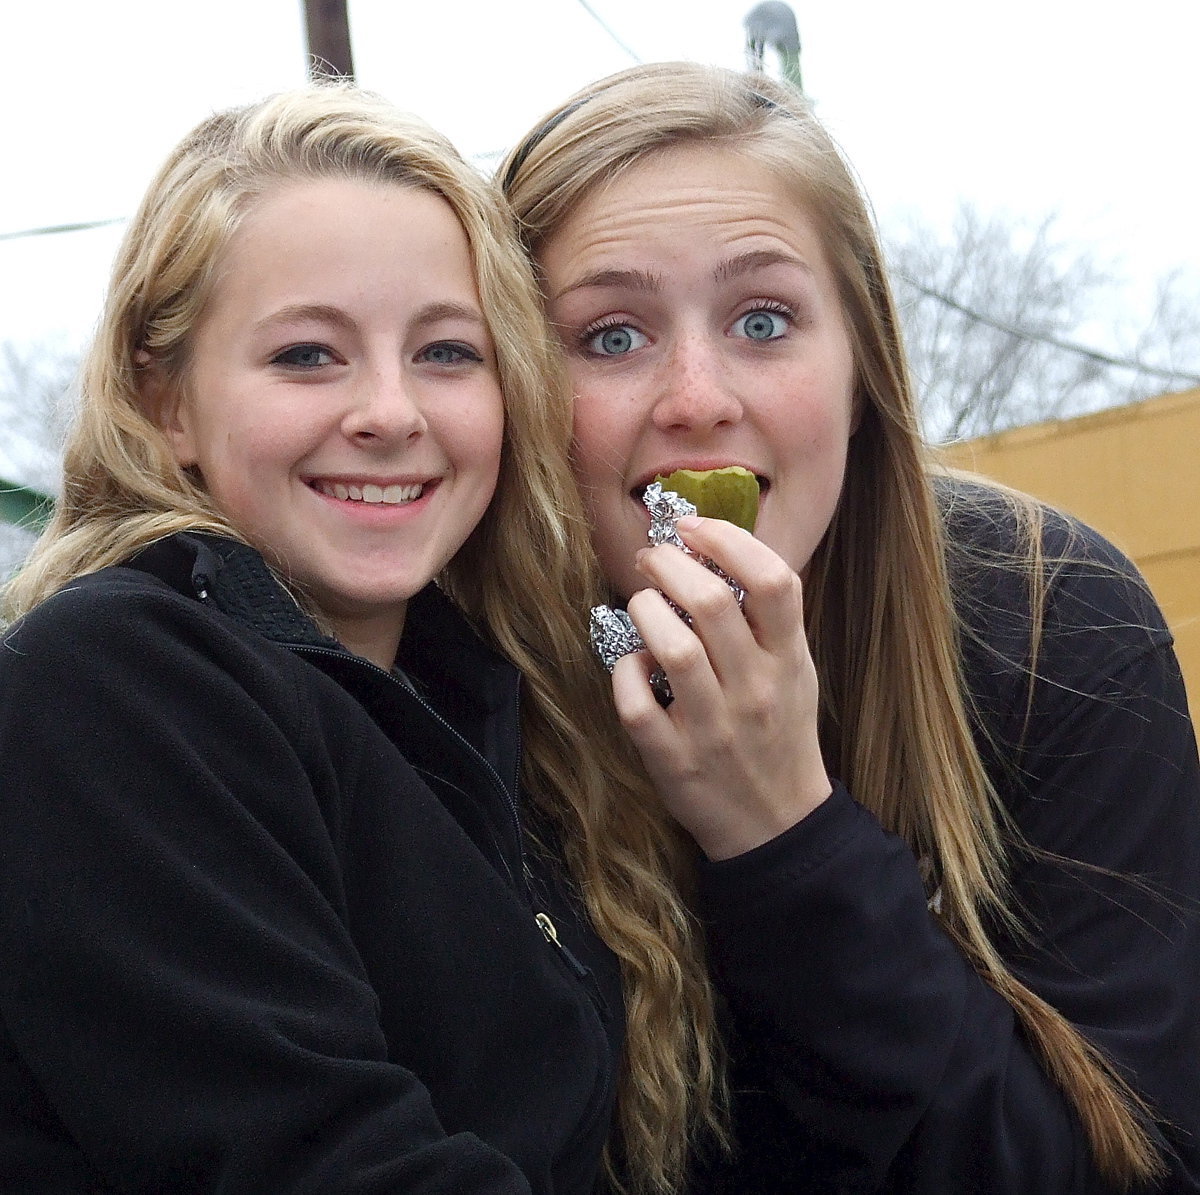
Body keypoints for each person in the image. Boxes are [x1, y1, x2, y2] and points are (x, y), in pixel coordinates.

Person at [0, 83, 724, 1194]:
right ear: (167, 403)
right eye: (306, 356)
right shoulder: (113, 682)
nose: (390, 411)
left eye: (445, 353)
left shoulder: (494, 709)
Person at [500, 62, 1200, 1193]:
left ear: (864, 361)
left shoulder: (1049, 624)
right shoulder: (445, 680)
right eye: (611, 336)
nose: (696, 397)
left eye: (764, 320)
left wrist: (784, 834)